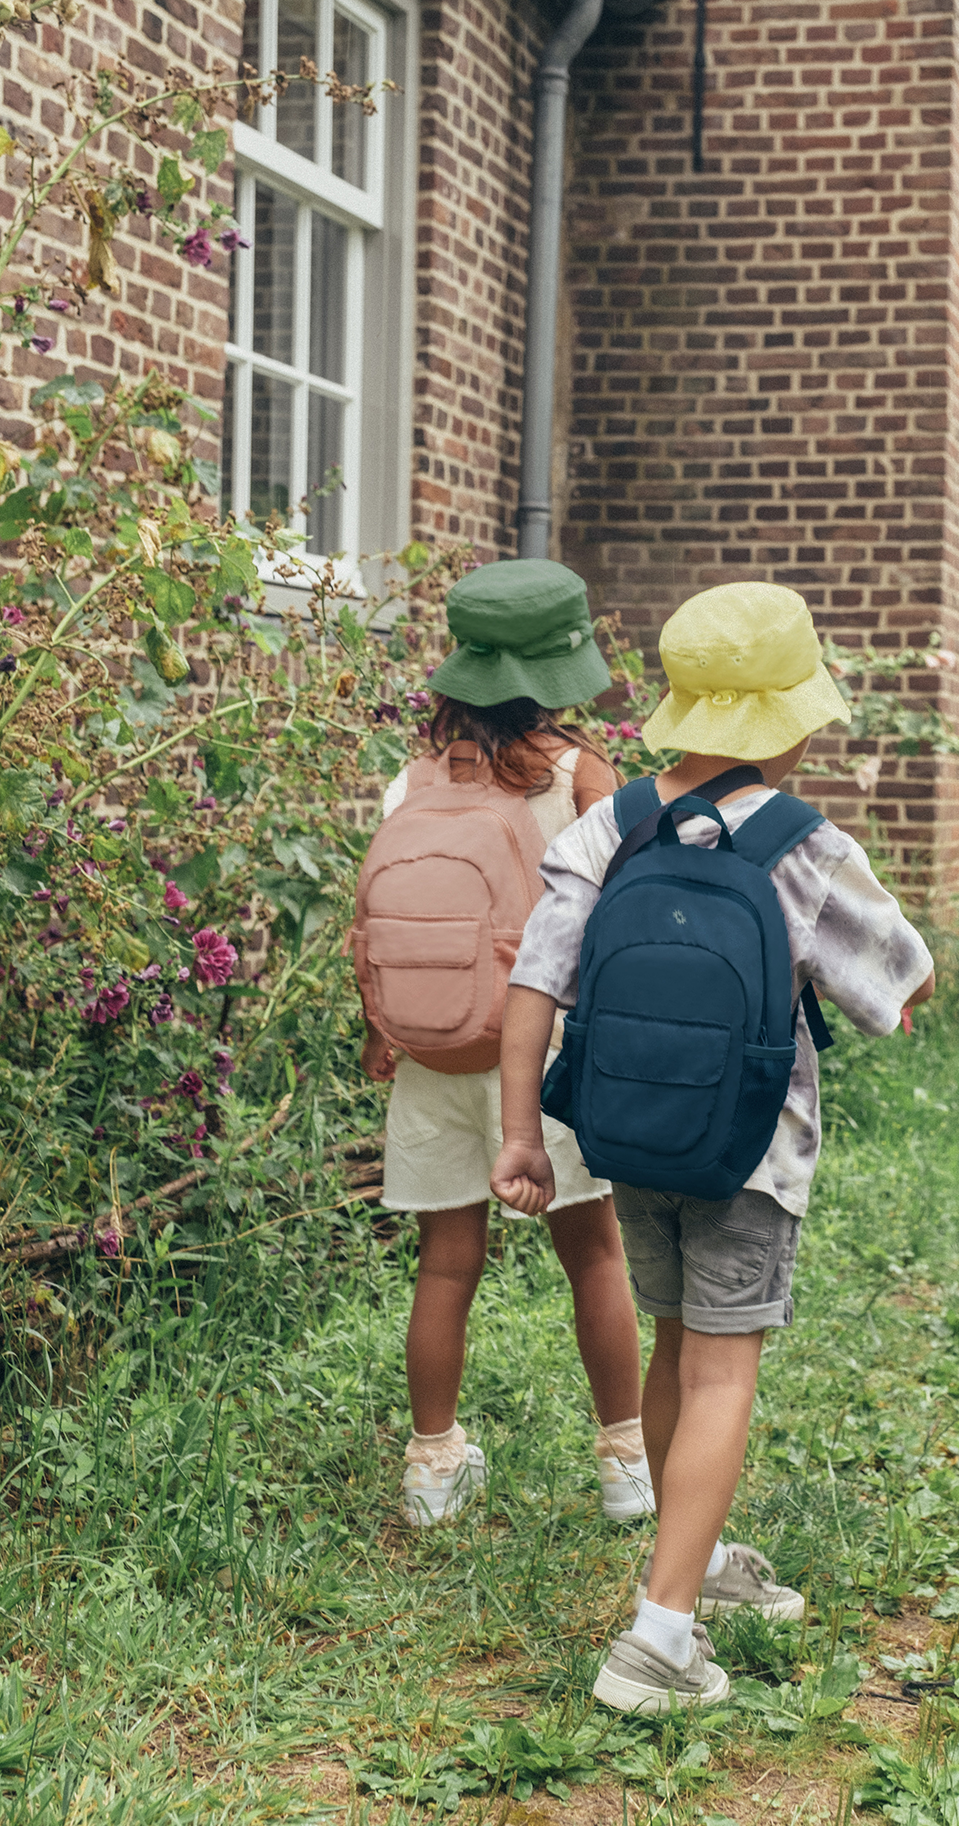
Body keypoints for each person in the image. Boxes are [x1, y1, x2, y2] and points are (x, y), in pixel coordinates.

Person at [489, 580, 935, 1711]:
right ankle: (658, 1639)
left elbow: (535, 983)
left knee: (681, 1347)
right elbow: (904, 991)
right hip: (751, 1155)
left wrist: (520, 1140)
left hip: (628, 1141)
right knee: (726, 1370)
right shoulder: (805, 847)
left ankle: (694, 1557)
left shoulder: (609, 823)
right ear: (787, 721)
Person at [360, 559, 654, 1529]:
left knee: (447, 1263)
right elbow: (625, 922)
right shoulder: (582, 778)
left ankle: (432, 1468)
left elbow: (383, 921)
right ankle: (626, 1463)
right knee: (595, 1255)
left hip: (437, 1049)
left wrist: (381, 1033)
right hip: (551, 1055)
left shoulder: (408, 782)